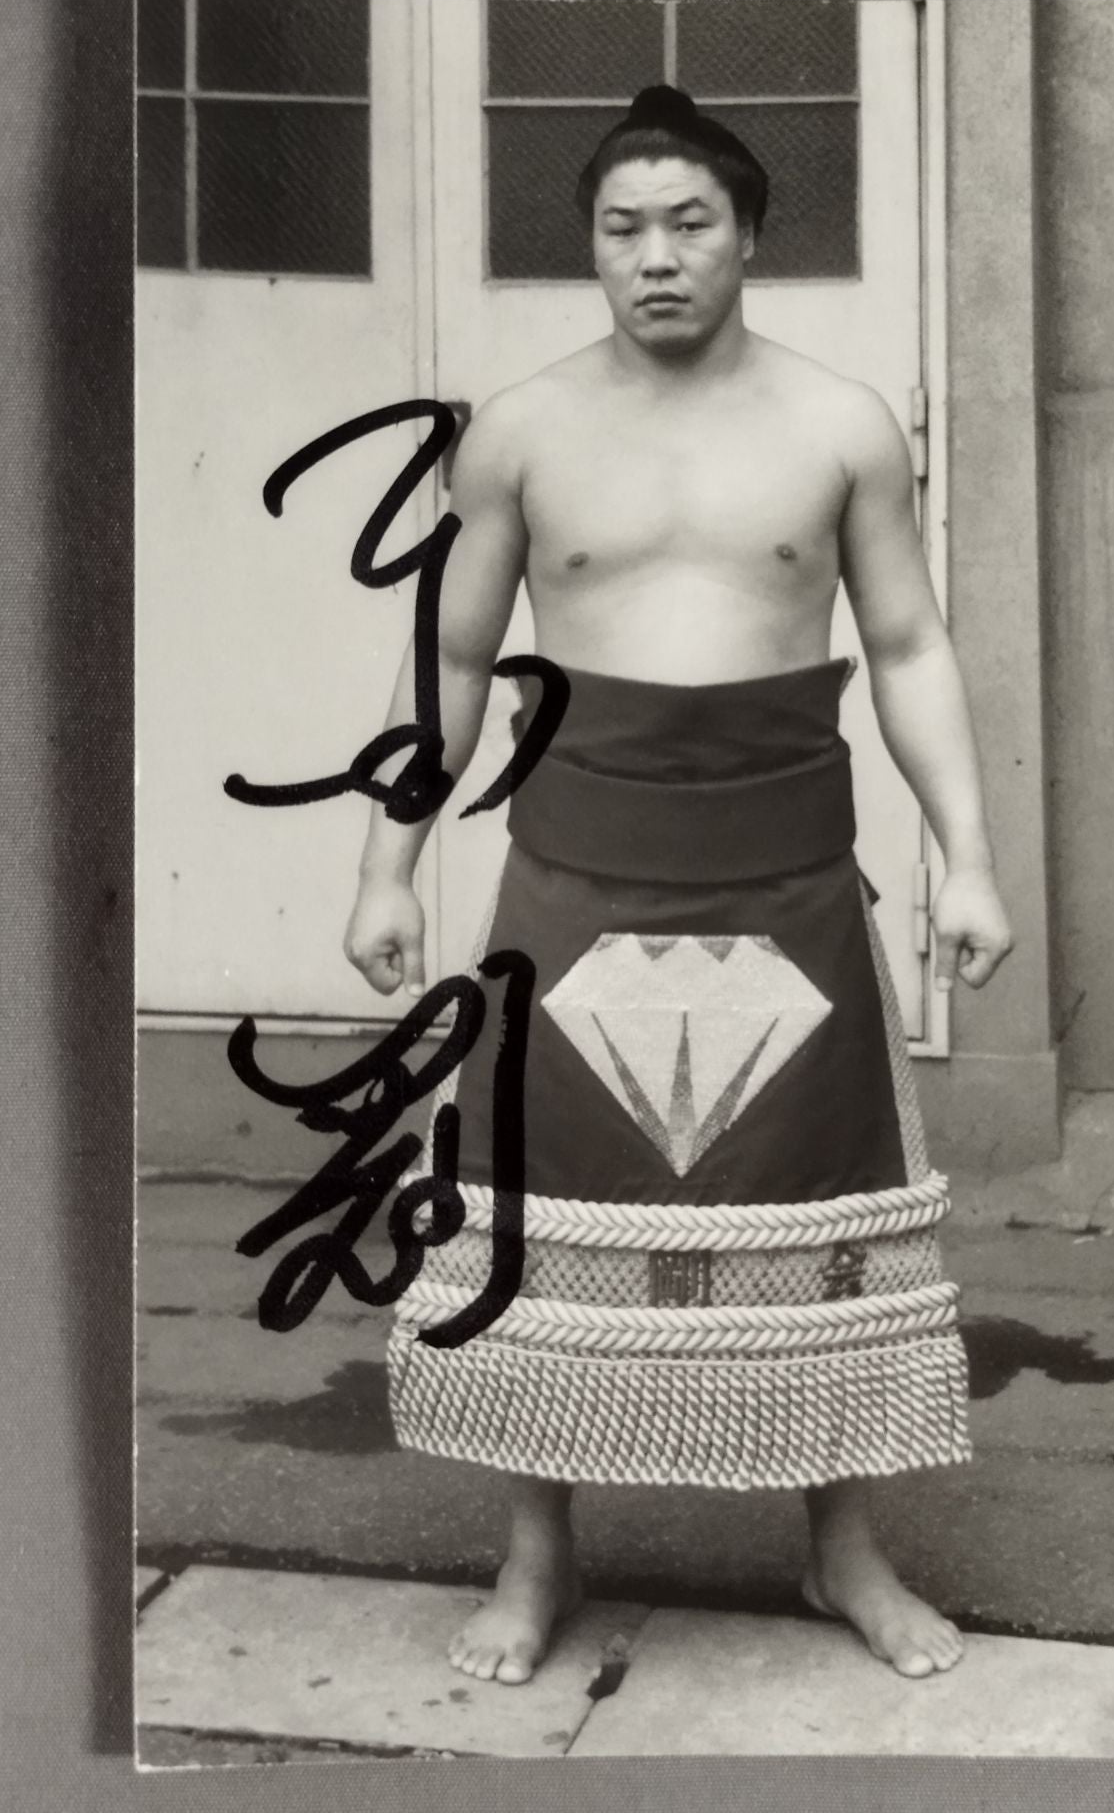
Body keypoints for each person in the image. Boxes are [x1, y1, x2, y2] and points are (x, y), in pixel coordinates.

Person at [344, 85, 1013, 1687]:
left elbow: (909, 645)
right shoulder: (518, 432)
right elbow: (448, 660)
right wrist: (386, 865)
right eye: (622, 228)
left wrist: (969, 860)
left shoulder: (843, 424)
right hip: (577, 867)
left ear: (749, 236)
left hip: (787, 870)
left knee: (818, 1212)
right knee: (539, 1214)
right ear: (589, 245)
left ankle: (842, 1548)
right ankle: (537, 1551)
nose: (655, 257)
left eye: (689, 223)